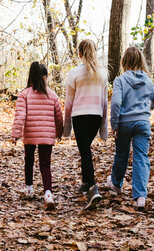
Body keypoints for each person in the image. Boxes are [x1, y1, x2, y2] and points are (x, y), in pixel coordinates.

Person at [108, 47, 154, 209]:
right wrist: (145, 110)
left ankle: (116, 184)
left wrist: (114, 124)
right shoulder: (147, 80)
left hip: (124, 123)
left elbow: (116, 103)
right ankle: (140, 196)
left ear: (124, 61)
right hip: (142, 123)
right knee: (141, 157)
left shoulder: (120, 80)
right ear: (140, 61)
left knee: (121, 154)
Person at [63, 39, 108, 210]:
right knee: (85, 150)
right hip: (95, 116)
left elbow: (69, 102)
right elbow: (104, 102)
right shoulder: (103, 73)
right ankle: (85, 183)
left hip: (80, 117)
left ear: (79, 53)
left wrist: (66, 127)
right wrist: (103, 128)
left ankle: (92, 188)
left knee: (85, 151)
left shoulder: (73, 73)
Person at [12, 62, 64, 210]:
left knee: (29, 160)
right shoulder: (52, 95)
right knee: (45, 164)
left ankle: (29, 188)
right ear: (45, 77)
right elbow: (59, 117)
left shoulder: (24, 94)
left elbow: (20, 115)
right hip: (47, 136)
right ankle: (48, 193)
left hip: (30, 134)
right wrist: (59, 132)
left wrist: (16, 133)